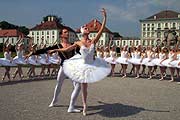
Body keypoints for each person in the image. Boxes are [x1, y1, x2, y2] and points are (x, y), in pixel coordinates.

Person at [49, 8, 111, 116]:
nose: (87, 28)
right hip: (82, 66)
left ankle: (83, 105)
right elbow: (67, 50)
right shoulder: (78, 42)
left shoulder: (93, 40)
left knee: (84, 88)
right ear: (82, 31)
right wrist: (56, 49)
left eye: (87, 28)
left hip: (91, 65)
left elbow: (101, 29)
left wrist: (105, 17)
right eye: (85, 27)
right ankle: (83, 105)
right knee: (81, 87)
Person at [26, 28, 81, 113]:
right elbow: (44, 50)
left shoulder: (73, 45)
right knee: (59, 84)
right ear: (61, 35)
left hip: (72, 68)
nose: (68, 33)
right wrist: (32, 53)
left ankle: (72, 106)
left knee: (77, 85)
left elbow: (81, 52)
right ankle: (54, 101)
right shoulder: (58, 46)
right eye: (65, 32)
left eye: (67, 32)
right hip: (63, 68)